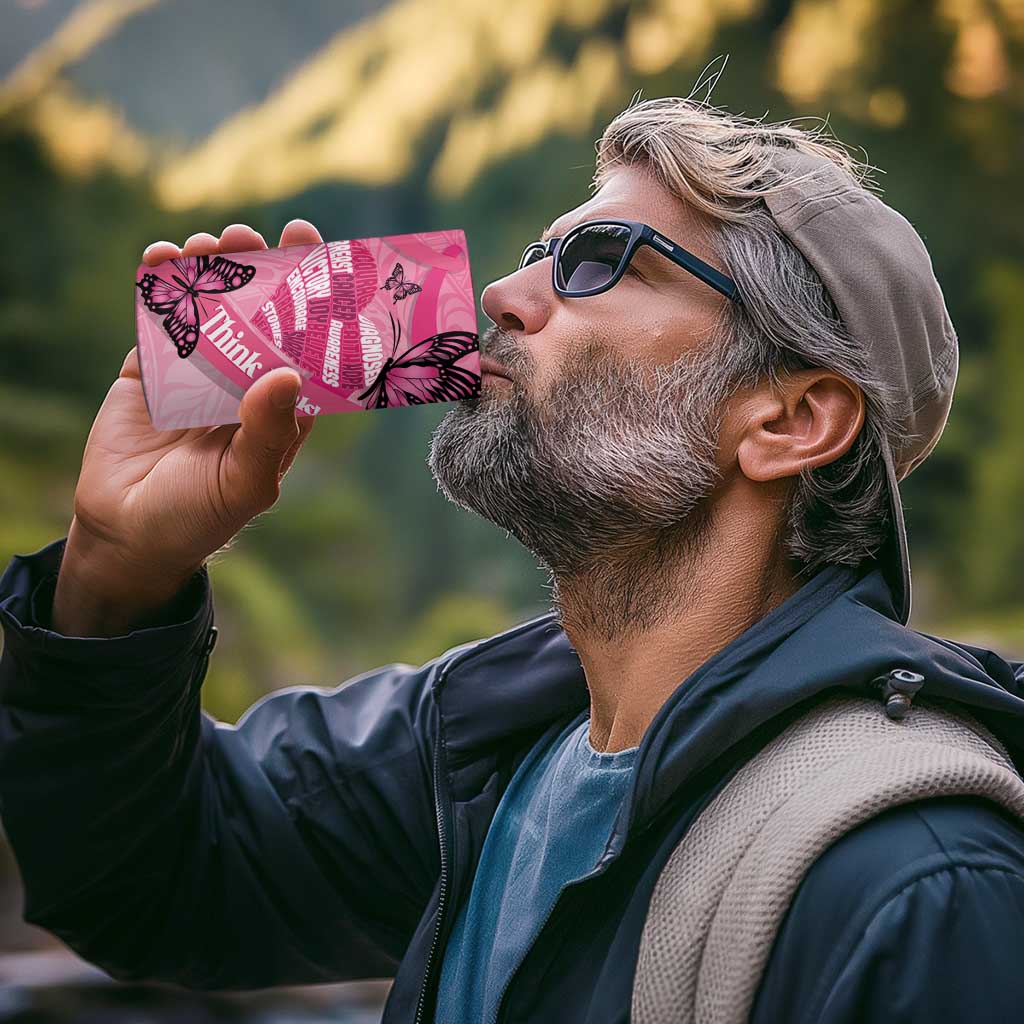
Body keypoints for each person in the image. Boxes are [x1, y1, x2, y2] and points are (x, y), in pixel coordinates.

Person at [2, 94, 1024, 1024]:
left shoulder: (918, 884)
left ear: (790, 419)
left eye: (599, 261)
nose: (501, 292)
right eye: (540, 252)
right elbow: (148, 880)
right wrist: (115, 573)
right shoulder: (480, 748)